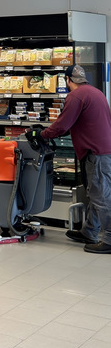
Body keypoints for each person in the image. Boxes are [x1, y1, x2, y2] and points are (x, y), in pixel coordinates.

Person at [39, 65, 111, 253]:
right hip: (103, 151)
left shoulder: (76, 96)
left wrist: (42, 134)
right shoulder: (96, 92)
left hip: (96, 153)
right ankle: (89, 231)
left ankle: (110, 240)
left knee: (101, 196)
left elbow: (62, 125)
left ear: (67, 80)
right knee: (96, 193)